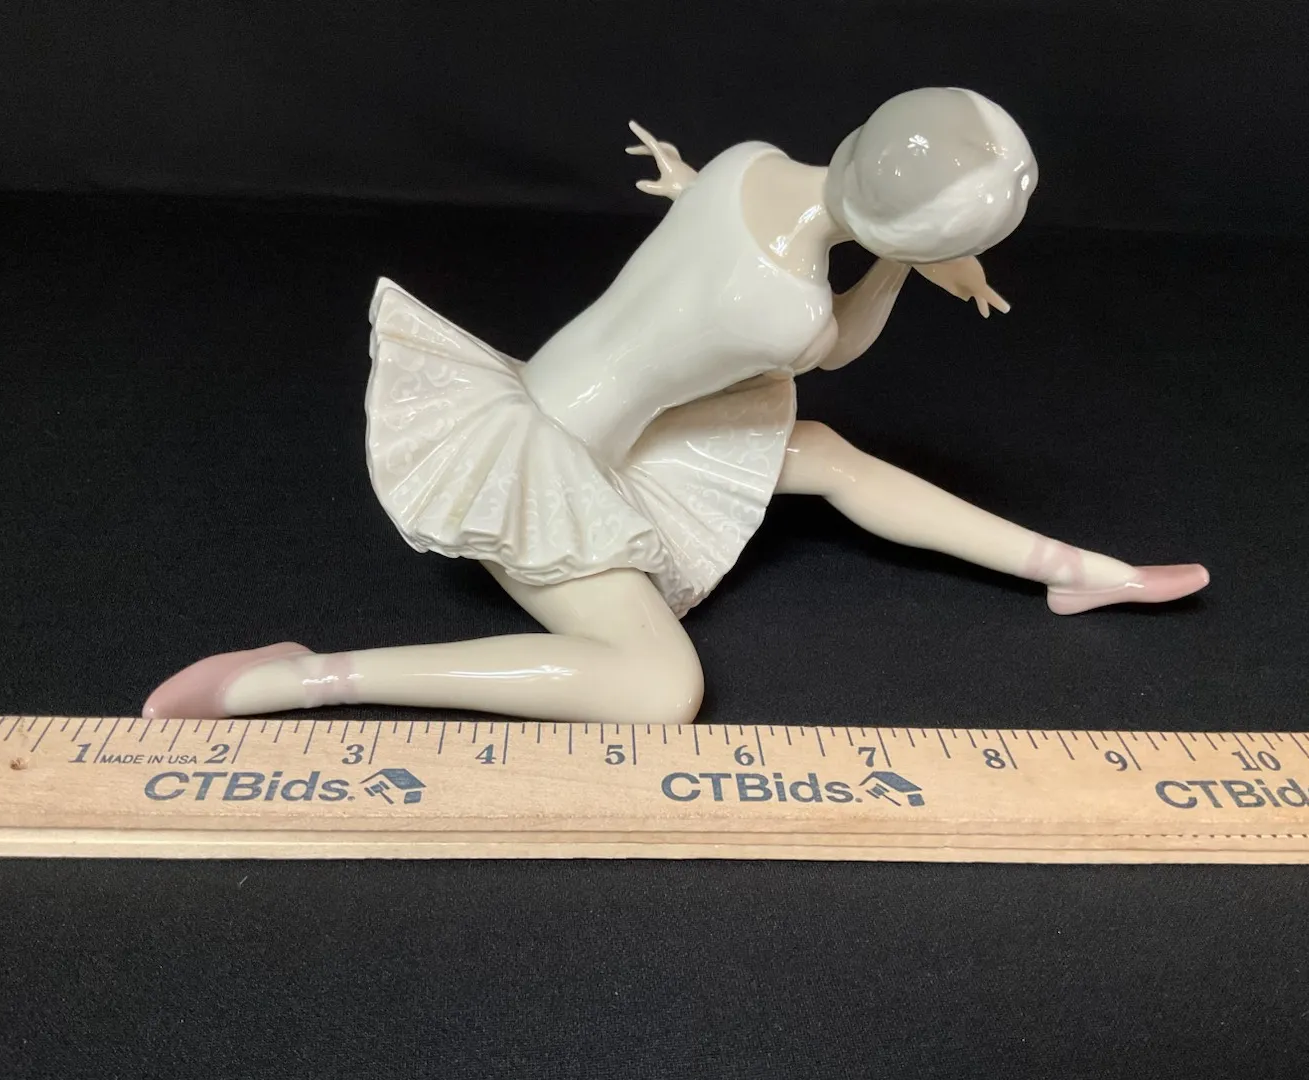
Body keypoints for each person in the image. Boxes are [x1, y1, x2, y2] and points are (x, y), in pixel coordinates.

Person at [143, 87, 1209, 725]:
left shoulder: (747, 163)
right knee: (660, 693)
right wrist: (902, 266)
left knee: (823, 454)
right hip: (541, 472)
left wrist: (706, 192)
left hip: (569, 405)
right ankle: (301, 681)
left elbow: (717, 215)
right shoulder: (789, 313)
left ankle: (1072, 568)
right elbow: (845, 339)